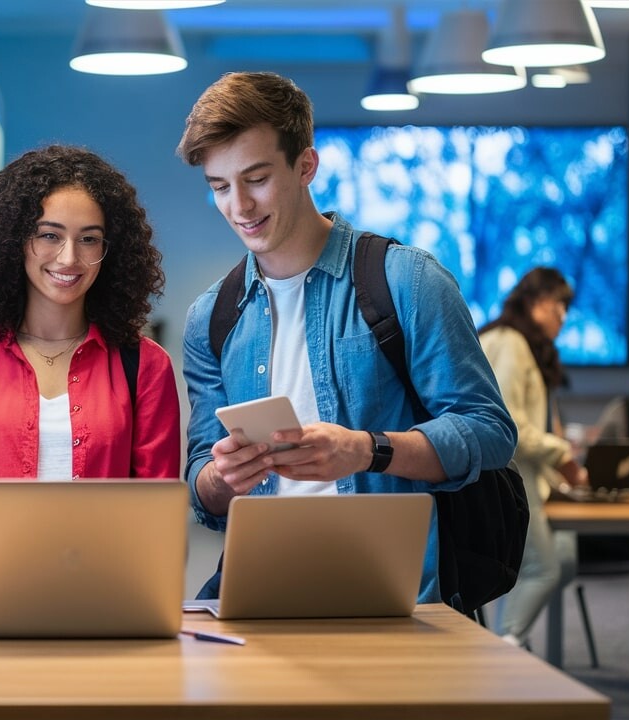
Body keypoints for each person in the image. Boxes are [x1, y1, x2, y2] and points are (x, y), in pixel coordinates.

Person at [175, 71, 516, 603]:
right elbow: (203, 490)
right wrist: (222, 476)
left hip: (393, 595)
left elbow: (490, 431)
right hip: (262, 591)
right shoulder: (210, 318)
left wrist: (367, 450)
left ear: (306, 166)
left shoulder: (407, 280)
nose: (238, 206)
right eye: (220, 187)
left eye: (257, 178)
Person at [0, 145, 181, 559]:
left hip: (109, 600)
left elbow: (158, 511)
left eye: (89, 239)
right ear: (15, 240)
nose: (69, 257)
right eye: (49, 235)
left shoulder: (146, 365)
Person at [477, 267, 586, 646]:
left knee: (566, 556)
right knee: (544, 569)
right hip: (514, 478)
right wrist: (562, 455)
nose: (563, 315)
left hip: (523, 478)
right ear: (537, 302)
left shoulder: (506, 339)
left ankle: (508, 639)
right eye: (559, 305)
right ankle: (506, 648)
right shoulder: (510, 343)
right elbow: (511, 426)